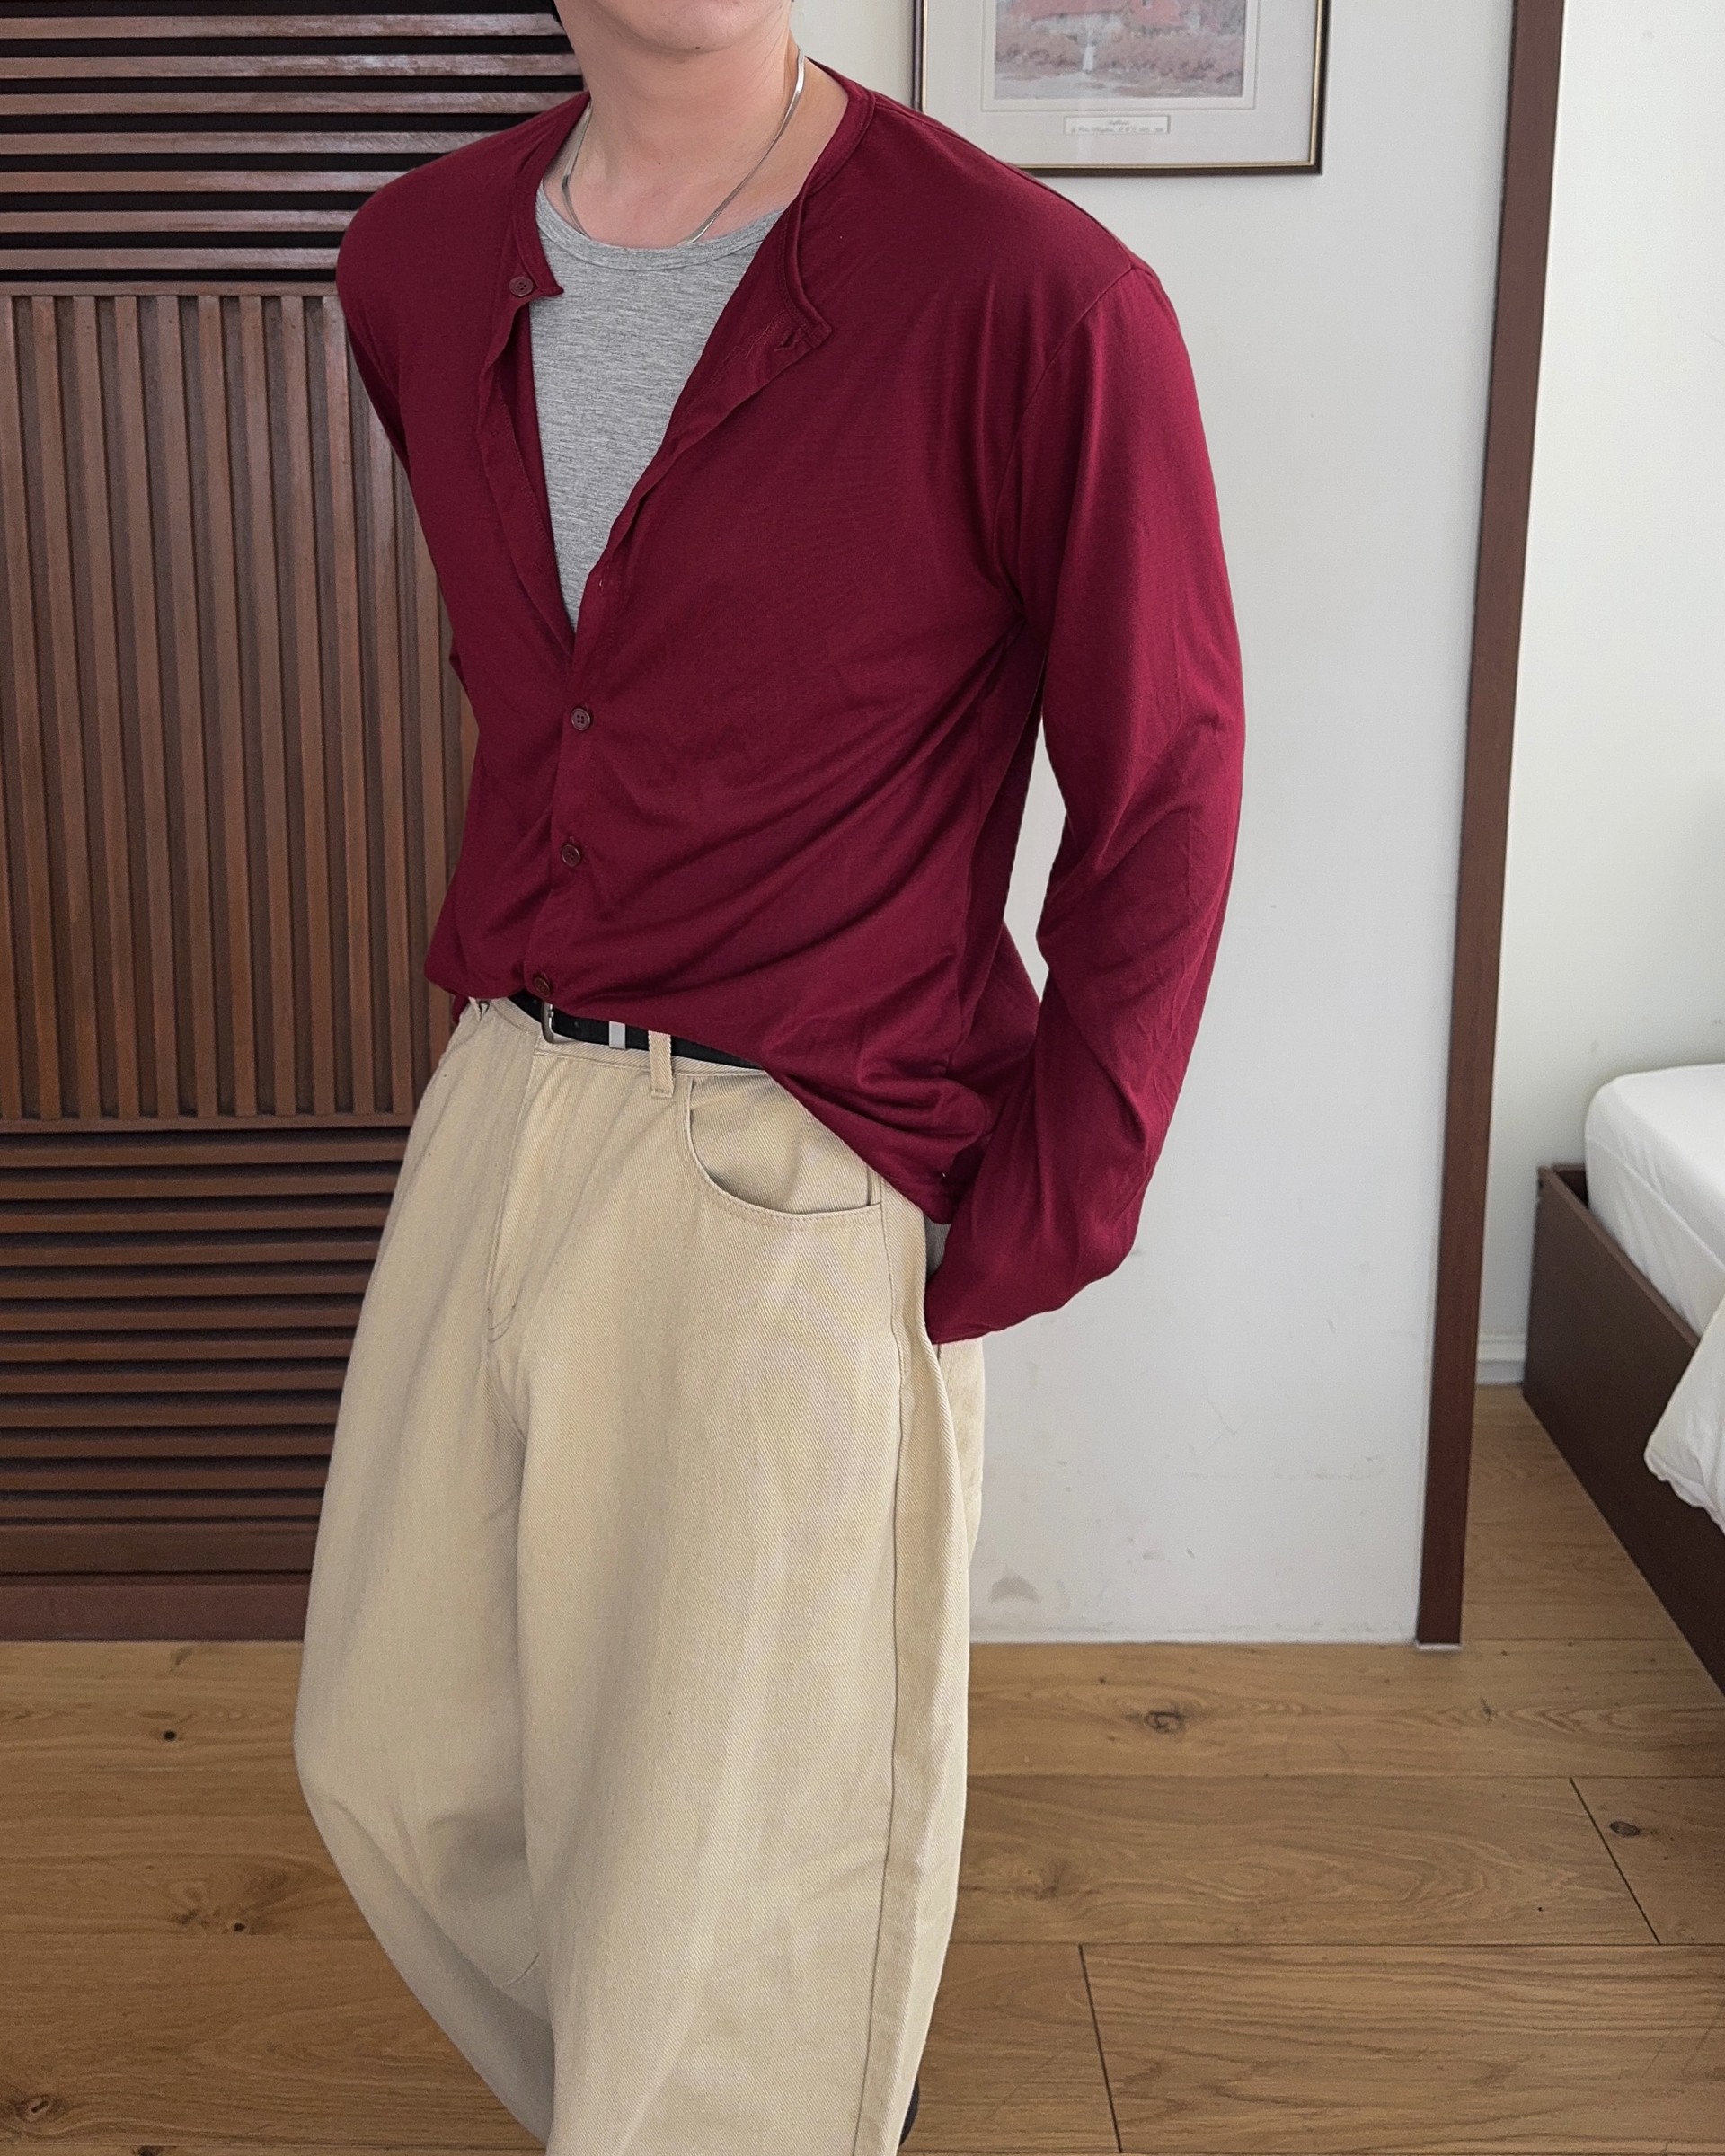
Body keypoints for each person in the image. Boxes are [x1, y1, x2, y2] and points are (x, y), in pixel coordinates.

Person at [291, 4, 1245, 2152]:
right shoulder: (417, 259)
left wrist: (1046, 1199)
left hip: (796, 1149)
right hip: (507, 1094)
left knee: (739, 1888)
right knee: (397, 1752)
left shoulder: (1031, 298)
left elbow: (1166, 782)